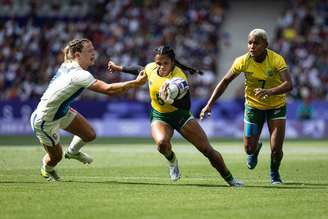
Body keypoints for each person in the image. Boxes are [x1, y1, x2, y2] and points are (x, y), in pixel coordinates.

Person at [108, 45, 244, 187]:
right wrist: (119, 68)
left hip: (181, 115)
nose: (161, 66)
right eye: (158, 63)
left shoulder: (179, 78)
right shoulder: (151, 68)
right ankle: (172, 160)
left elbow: (186, 106)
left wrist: (171, 99)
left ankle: (230, 179)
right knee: (161, 144)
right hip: (160, 115)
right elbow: (139, 69)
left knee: (207, 150)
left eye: (165, 63)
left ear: (172, 62)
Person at [30, 38, 146, 181]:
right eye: (89, 51)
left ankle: (72, 152)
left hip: (62, 111)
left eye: (93, 49)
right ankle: (46, 169)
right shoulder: (80, 75)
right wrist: (136, 83)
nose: (94, 53)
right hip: (45, 120)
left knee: (89, 134)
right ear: (77, 55)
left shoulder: (68, 64)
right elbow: (108, 90)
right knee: (55, 157)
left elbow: (69, 53)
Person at [200, 29, 293, 185]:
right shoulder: (242, 61)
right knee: (248, 149)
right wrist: (209, 104)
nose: (252, 46)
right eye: (250, 42)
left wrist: (269, 92)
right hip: (253, 107)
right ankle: (255, 149)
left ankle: (274, 173)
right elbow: (224, 82)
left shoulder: (277, 60)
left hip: (276, 106)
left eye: (256, 43)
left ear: (265, 45)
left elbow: (289, 84)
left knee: (276, 148)